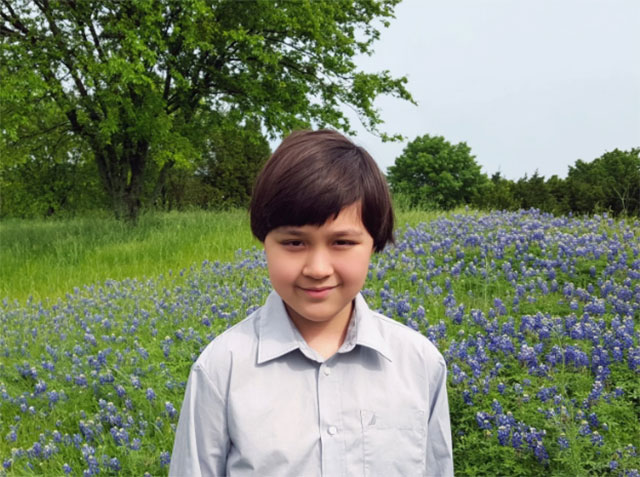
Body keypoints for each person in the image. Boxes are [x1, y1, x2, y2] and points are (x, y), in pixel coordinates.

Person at [169, 129, 453, 477]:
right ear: (264, 242)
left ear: (375, 243)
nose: (318, 269)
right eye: (294, 243)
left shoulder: (420, 363)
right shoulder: (220, 370)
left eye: (343, 242)